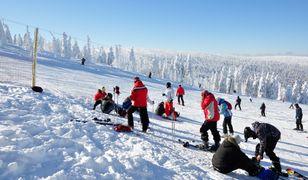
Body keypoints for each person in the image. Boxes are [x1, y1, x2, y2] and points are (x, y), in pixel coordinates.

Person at [212, 135, 279, 179]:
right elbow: (243, 158)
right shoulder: (233, 149)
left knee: (239, 159)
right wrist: (253, 162)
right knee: (242, 162)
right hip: (222, 168)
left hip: (214, 163)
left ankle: (253, 168)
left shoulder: (225, 142)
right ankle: (254, 171)